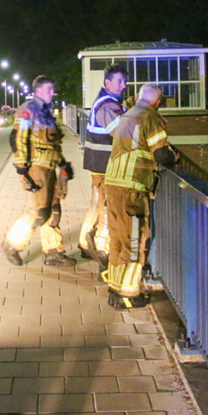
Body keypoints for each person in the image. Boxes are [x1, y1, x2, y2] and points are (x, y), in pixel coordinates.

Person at [103, 83, 178, 309]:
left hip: (113, 184)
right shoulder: (151, 118)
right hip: (132, 187)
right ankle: (128, 294)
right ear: (158, 102)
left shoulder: (127, 115)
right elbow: (162, 155)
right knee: (134, 241)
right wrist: (175, 158)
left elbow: (110, 130)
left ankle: (116, 286)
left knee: (117, 239)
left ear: (138, 97)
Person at [1, 75, 77, 267]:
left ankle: (53, 252)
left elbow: (52, 144)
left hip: (50, 166)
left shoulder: (46, 112)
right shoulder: (29, 110)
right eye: (48, 89)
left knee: (54, 209)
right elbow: (19, 137)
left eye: (53, 89)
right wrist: (22, 166)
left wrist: (63, 166)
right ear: (37, 91)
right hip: (36, 167)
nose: (52, 93)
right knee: (38, 212)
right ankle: (12, 244)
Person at [77, 64, 128, 272]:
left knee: (97, 203)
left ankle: (84, 242)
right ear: (107, 82)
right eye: (119, 82)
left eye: (124, 82)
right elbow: (121, 134)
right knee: (106, 210)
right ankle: (104, 252)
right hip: (105, 165)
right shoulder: (108, 106)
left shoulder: (104, 100)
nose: (123, 86)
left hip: (96, 163)